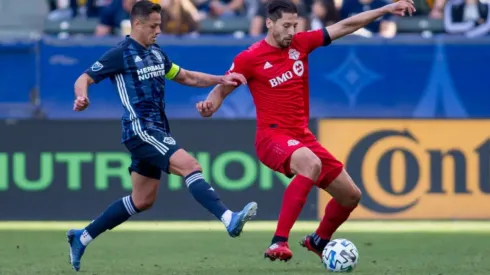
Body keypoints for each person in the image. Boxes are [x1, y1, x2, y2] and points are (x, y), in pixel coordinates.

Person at [197, 0, 415, 262]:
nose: (291, 31)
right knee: (310, 165)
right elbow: (223, 86)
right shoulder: (250, 57)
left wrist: (384, 10)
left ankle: (318, 240)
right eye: (285, 25)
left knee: (350, 196)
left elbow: (346, 25)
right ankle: (279, 241)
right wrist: (211, 105)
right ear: (270, 23)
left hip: (302, 137)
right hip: (272, 138)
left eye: (294, 25)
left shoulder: (301, 43)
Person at [67, 0, 257, 271]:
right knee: (191, 166)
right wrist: (82, 96)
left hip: (157, 129)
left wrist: (220, 80)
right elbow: (83, 78)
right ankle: (228, 218)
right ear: (137, 24)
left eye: (160, 25)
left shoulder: (156, 54)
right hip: (141, 129)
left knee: (142, 200)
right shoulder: (120, 54)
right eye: (154, 26)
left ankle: (81, 237)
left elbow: (187, 77)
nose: (159, 31)